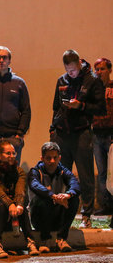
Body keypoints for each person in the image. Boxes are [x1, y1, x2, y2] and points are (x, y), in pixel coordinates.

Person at [50, 50, 106, 229]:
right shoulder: (62, 80)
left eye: (73, 70)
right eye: (68, 70)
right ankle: (62, 212)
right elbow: (56, 107)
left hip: (81, 133)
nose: (71, 74)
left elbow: (100, 108)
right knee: (61, 174)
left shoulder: (92, 81)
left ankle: (86, 214)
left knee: (86, 175)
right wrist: (52, 129)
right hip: (61, 133)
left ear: (79, 65)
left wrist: (80, 106)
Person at [0, 141, 40, 258]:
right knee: (2, 205)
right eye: (8, 153)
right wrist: (10, 204)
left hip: (12, 214)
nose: (12, 156)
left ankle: (30, 242)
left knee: (22, 208)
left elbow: (20, 191)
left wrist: (18, 205)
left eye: (13, 153)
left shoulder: (19, 172)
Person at [28, 142, 80, 253]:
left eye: (55, 158)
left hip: (57, 216)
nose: (52, 161)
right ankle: (45, 239)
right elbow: (35, 185)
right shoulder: (35, 172)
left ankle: (62, 239)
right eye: (48, 158)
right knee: (41, 199)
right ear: (42, 158)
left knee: (74, 199)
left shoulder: (63, 171)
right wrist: (53, 196)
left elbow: (75, 184)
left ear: (59, 158)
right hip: (39, 218)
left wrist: (67, 195)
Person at [92, 57, 113, 221]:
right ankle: (106, 205)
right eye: (97, 69)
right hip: (97, 134)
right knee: (102, 172)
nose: (99, 72)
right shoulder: (93, 89)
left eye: (102, 69)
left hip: (111, 134)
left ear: (110, 70)